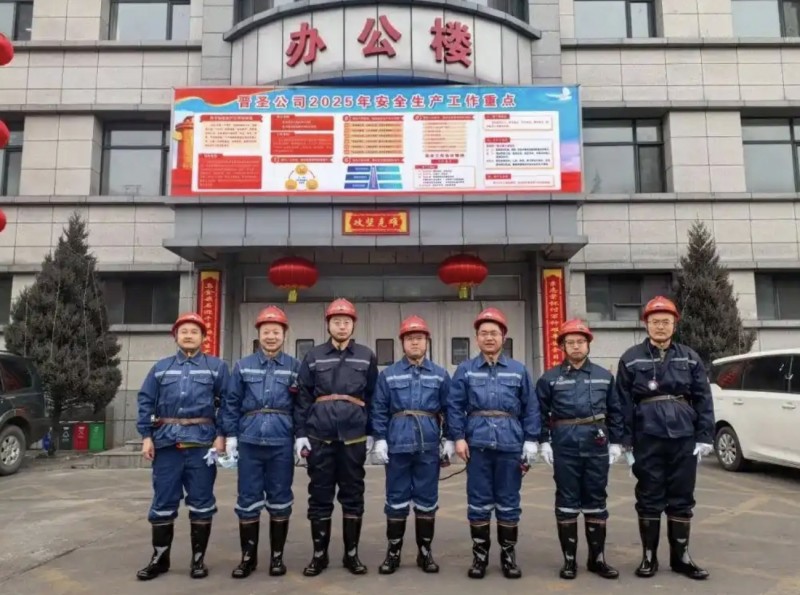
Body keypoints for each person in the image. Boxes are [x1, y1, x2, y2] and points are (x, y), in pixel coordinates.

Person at [615, 296, 714, 580]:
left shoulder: (689, 356)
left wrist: (704, 435)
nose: (660, 326)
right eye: (655, 321)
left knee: (682, 495)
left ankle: (681, 557)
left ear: (674, 325)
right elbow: (622, 401)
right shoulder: (631, 358)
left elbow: (703, 397)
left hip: (683, 435)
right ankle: (649, 557)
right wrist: (624, 441)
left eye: (666, 322)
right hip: (647, 435)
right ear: (646, 324)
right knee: (649, 495)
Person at [446, 306, 541, 579]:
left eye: (494, 333)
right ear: (477, 338)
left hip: (510, 445)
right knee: (478, 502)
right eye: (484, 333)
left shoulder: (518, 370)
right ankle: (480, 558)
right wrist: (458, 437)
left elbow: (531, 407)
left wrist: (531, 440)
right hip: (477, 445)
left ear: (503, 337)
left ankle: (508, 558)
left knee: (509, 501)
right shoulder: (465, 370)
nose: (489, 337)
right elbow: (455, 406)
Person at [135, 313, 229, 581]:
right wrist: (146, 436)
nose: (188, 335)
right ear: (175, 336)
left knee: (201, 502)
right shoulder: (161, 368)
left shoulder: (217, 367)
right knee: (163, 501)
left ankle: (198, 560)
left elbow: (227, 402)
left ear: (204, 337)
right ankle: (159, 559)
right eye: (183, 331)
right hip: (167, 444)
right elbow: (145, 401)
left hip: (202, 445)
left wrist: (222, 434)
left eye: (194, 331)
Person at [293, 298, 379, 577]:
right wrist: (301, 434)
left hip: (354, 437)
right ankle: (319, 555)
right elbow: (303, 397)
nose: (342, 326)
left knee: (353, 495)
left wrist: (374, 433)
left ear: (353, 325)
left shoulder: (366, 356)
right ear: (328, 324)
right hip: (320, 437)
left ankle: (351, 555)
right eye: (336, 321)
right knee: (320, 495)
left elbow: (374, 396)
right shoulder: (314, 356)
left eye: (346, 321)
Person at [536, 319, 623, 580]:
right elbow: (539, 413)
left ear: (588, 344)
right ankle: (570, 561)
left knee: (596, 499)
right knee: (567, 501)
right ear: (562, 346)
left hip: (596, 443)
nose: (576, 346)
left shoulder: (604, 376)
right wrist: (543, 441)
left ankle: (597, 559)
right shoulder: (549, 378)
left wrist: (616, 442)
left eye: (580, 342)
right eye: (570, 342)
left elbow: (616, 411)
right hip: (564, 444)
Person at [222, 306, 300, 579]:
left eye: (276, 331)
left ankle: (277, 557)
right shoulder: (242, 366)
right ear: (258, 334)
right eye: (266, 331)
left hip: (281, 441)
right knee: (248, 499)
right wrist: (231, 435)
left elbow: (301, 405)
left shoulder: (294, 367)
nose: (271, 336)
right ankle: (248, 558)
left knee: (280, 498)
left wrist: (300, 436)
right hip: (249, 441)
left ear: (284, 335)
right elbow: (231, 402)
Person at [371, 315, 452, 575]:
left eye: (419, 338)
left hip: (428, 445)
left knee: (427, 500)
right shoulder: (388, 375)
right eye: (409, 338)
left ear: (427, 341)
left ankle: (424, 552)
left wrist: (450, 439)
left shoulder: (440, 375)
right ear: (402, 343)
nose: (414, 342)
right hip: (397, 445)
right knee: (396, 499)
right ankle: (393, 552)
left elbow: (450, 409)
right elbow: (379, 409)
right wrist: (380, 439)